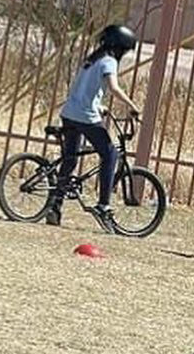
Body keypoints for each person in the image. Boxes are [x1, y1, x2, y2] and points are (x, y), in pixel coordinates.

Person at [47, 24, 141, 229]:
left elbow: (82, 90)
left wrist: (98, 105)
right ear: (120, 48)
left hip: (69, 113)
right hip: (85, 117)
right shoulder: (109, 61)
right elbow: (114, 87)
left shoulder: (91, 59)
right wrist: (132, 106)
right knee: (110, 154)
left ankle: (54, 207)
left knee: (70, 160)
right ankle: (103, 206)